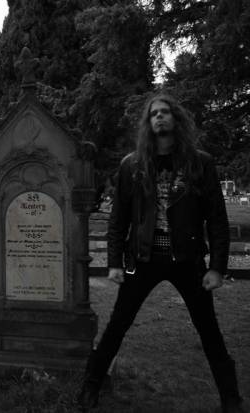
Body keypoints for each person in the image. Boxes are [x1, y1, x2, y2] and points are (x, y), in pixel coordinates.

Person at [77, 94, 245, 412]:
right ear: (148, 122)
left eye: (165, 112)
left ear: (176, 119)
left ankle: (231, 398)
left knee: (209, 330)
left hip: (188, 260)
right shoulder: (133, 165)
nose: (159, 117)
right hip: (144, 258)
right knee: (118, 324)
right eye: (154, 113)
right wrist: (114, 262)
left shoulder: (200, 163)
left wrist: (216, 267)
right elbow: (119, 220)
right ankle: (91, 385)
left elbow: (217, 219)